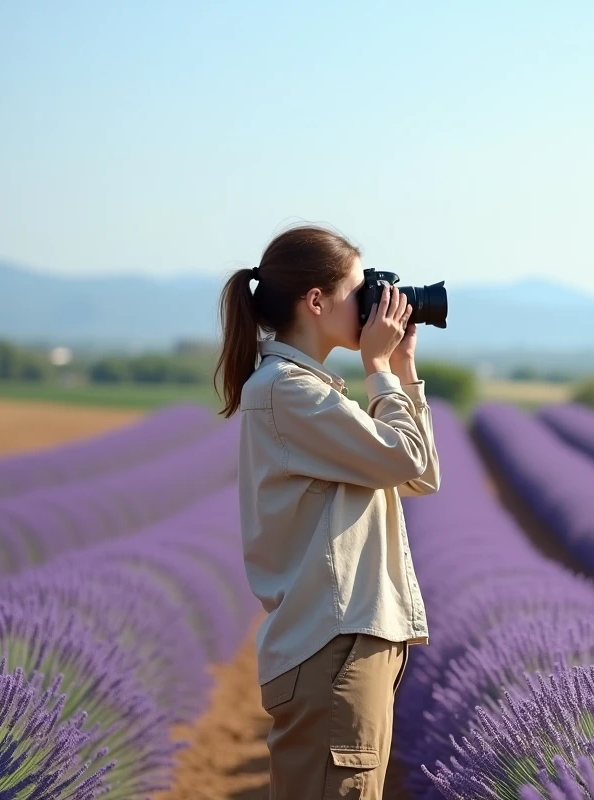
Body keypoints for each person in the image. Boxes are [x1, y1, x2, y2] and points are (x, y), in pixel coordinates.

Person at [214, 223, 439, 799]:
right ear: (317, 301)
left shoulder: (313, 390)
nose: (374, 306)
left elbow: (420, 476)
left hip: (348, 645)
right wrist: (380, 369)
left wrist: (402, 366)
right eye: (360, 291)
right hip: (333, 648)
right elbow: (405, 458)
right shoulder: (288, 391)